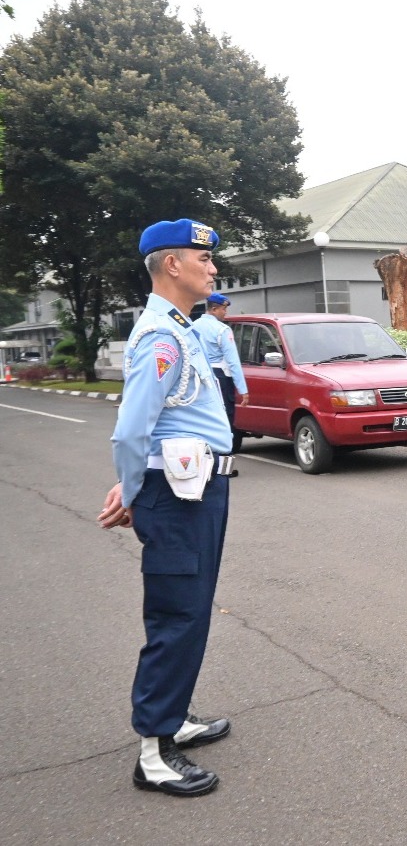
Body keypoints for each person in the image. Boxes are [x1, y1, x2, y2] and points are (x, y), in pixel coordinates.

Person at [97, 218, 237, 797]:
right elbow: (132, 430)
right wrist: (130, 491)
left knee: (193, 610)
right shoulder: (161, 336)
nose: (212, 267)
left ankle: (174, 716)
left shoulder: (182, 329)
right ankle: (154, 752)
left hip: (198, 487)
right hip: (175, 495)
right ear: (171, 264)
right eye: (202, 259)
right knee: (176, 616)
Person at [193, 292, 249, 455]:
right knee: (225, 419)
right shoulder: (222, 330)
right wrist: (243, 389)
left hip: (200, 376)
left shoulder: (193, 326)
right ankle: (224, 461)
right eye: (224, 309)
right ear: (215, 309)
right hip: (221, 377)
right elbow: (233, 362)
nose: (226, 313)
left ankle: (204, 459)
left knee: (204, 418)